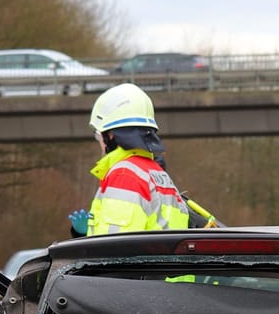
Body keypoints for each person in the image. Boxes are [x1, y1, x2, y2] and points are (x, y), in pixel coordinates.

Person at [72, 83, 221, 238]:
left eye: (98, 135)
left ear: (110, 134)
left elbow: (112, 247)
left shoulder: (124, 175)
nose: (99, 142)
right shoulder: (157, 174)